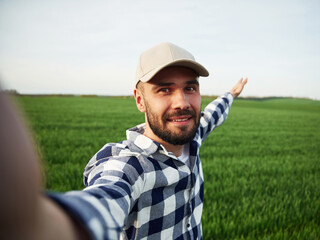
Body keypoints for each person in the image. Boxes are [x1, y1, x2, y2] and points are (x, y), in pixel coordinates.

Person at [0, 42, 247, 240]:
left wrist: (231, 94)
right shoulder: (130, 166)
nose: (182, 102)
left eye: (190, 88)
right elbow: (102, 203)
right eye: (164, 90)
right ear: (140, 100)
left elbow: (213, 114)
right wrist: (32, 224)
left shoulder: (193, 135)